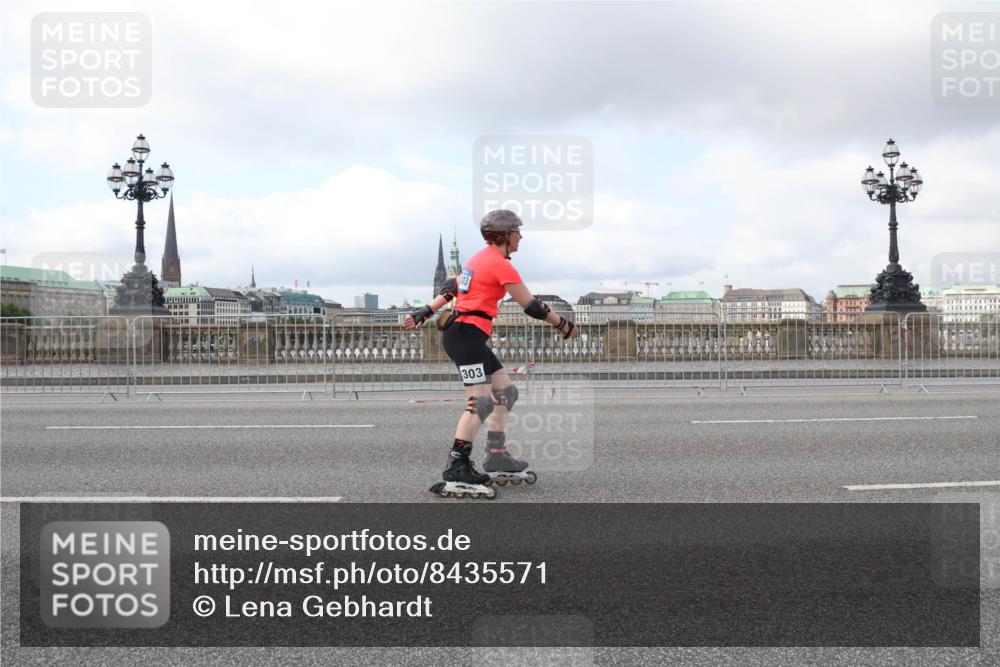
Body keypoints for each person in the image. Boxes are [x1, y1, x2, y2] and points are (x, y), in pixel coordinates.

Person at [404, 210, 580, 499]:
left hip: (468, 335)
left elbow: (450, 290)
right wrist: (563, 325)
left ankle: (496, 455)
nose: (521, 236)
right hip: (465, 336)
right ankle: (456, 466)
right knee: (481, 402)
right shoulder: (499, 265)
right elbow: (532, 305)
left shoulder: (478, 259)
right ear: (504, 236)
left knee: (506, 392)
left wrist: (425, 311)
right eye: (517, 232)